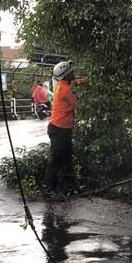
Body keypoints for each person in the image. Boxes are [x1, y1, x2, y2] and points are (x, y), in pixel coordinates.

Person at [45, 60, 86, 200]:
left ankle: (71, 185)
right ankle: (51, 190)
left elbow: (75, 82)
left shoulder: (62, 84)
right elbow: (78, 104)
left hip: (61, 129)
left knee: (67, 158)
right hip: (59, 129)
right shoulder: (66, 90)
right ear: (67, 75)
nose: (74, 74)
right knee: (56, 160)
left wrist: (84, 81)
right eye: (72, 72)